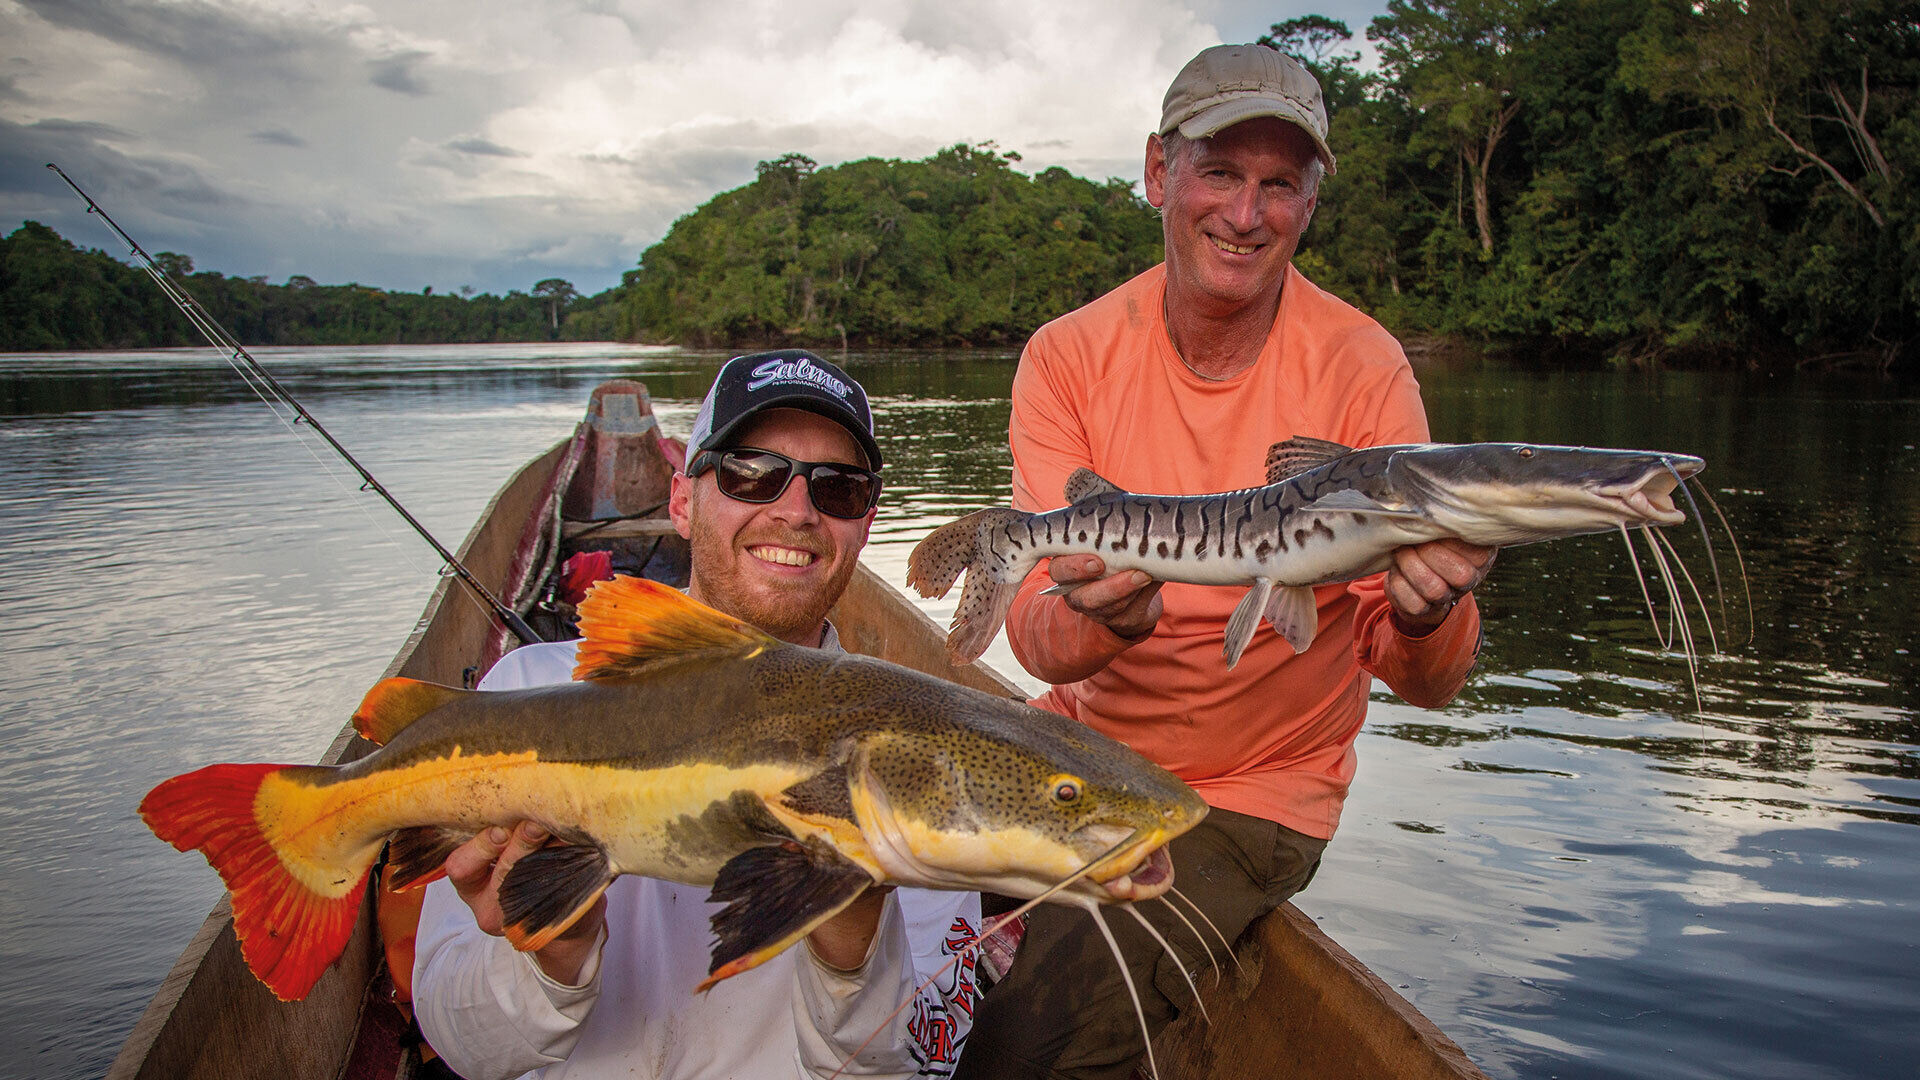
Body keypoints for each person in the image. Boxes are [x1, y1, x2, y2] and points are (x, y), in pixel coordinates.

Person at [951, 45, 1497, 1079]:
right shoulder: (1066, 356)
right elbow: (1035, 635)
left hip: (1252, 790)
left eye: (1279, 183)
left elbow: (1426, 680)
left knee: (1026, 1052)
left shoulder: (1365, 368)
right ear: (1160, 173)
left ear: (1309, 203)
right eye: (1219, 172)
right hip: (1083, 746)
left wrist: (1428, 615)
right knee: (871, 854)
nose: (1246, 214)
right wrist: (1104, 619)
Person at [413, 351, 983, 1080]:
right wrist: (552, 958)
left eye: (838, 489)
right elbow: (467, 1049)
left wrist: (852, 941)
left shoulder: (924, 761)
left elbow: (908, 1070)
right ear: (682, 501)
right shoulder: (525, 694)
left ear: (864, 525)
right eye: (752, 471)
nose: (797, 511)